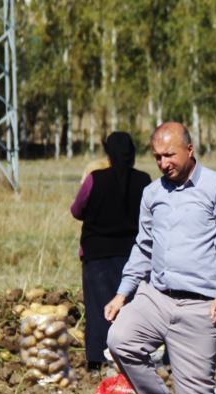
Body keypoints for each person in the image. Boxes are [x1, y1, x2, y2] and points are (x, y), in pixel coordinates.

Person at [104, 122, 216, 394]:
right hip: (156, 296)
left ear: (190, 150)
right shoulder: (152, 194)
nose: (163, 163)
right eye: (157, 157)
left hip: (200, 304)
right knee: (120, 339)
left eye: (170, 155)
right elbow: (144, 246)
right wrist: (124, 293)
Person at [70, 131, 152, 370]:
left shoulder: (95, 179)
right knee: (131, 306)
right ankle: (131, 355)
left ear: (109, 154)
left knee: (98, 307)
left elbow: (76, 210)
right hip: (134, 254)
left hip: (97, 255)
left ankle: (96, 359)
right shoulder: (143, 180)